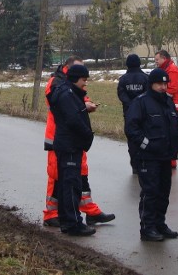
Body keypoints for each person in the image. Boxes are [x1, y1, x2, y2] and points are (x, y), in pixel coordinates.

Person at [43, 56, 115, 228]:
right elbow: (63, 105)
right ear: (69, 69)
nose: (84, 79)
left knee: (80, 173)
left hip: (74, 137)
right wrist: (84, 106)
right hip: (58, 137)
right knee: (58, 175)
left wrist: (86, 103)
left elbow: (78, 100)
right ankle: (52, 213)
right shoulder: (56, 83)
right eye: (80, 73)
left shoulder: (69, 85)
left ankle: (88, 208)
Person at [125, 68, 178, 241]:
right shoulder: (141, 102)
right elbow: (131, 129)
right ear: (151, 84)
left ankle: (159, 224)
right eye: (159, 84)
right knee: (151, 192)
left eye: (165, 84)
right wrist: (146, 145)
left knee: (164, 192)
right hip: (148, 157)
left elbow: (175, 124)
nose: (163, 87)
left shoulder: (168, 102)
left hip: (166, 156)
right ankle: (147, 227)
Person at [49, 64, 97, 236]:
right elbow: (73, 120)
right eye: (84, 80)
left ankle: (69, 220)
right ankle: (72, 223)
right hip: (69, 145)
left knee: (69, 184)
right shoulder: (67, 95)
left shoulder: (66, 92)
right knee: (70, 185)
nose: (85, 84)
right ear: (76, 78)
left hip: (69, 144)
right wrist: (87, 135)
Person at [154, 50, 178, 168]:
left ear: (164, 58)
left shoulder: (172, 70)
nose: (156, 62)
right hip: (171, 106)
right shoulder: (166, 69)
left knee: (171, 133)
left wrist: (159, 95)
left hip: (174, 107)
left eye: (157, 60)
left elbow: (172, 89)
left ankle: (171, 159)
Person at [117, 54, 149, 173]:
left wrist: (131, 105)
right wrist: (139, 104)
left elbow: (121, 94)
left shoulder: (123, 79)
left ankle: (135, 165)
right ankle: (144, 163)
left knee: (132, 139)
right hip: (144, 113)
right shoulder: (146, 78)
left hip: (129, 113)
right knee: (145, 137)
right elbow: (148, 94)